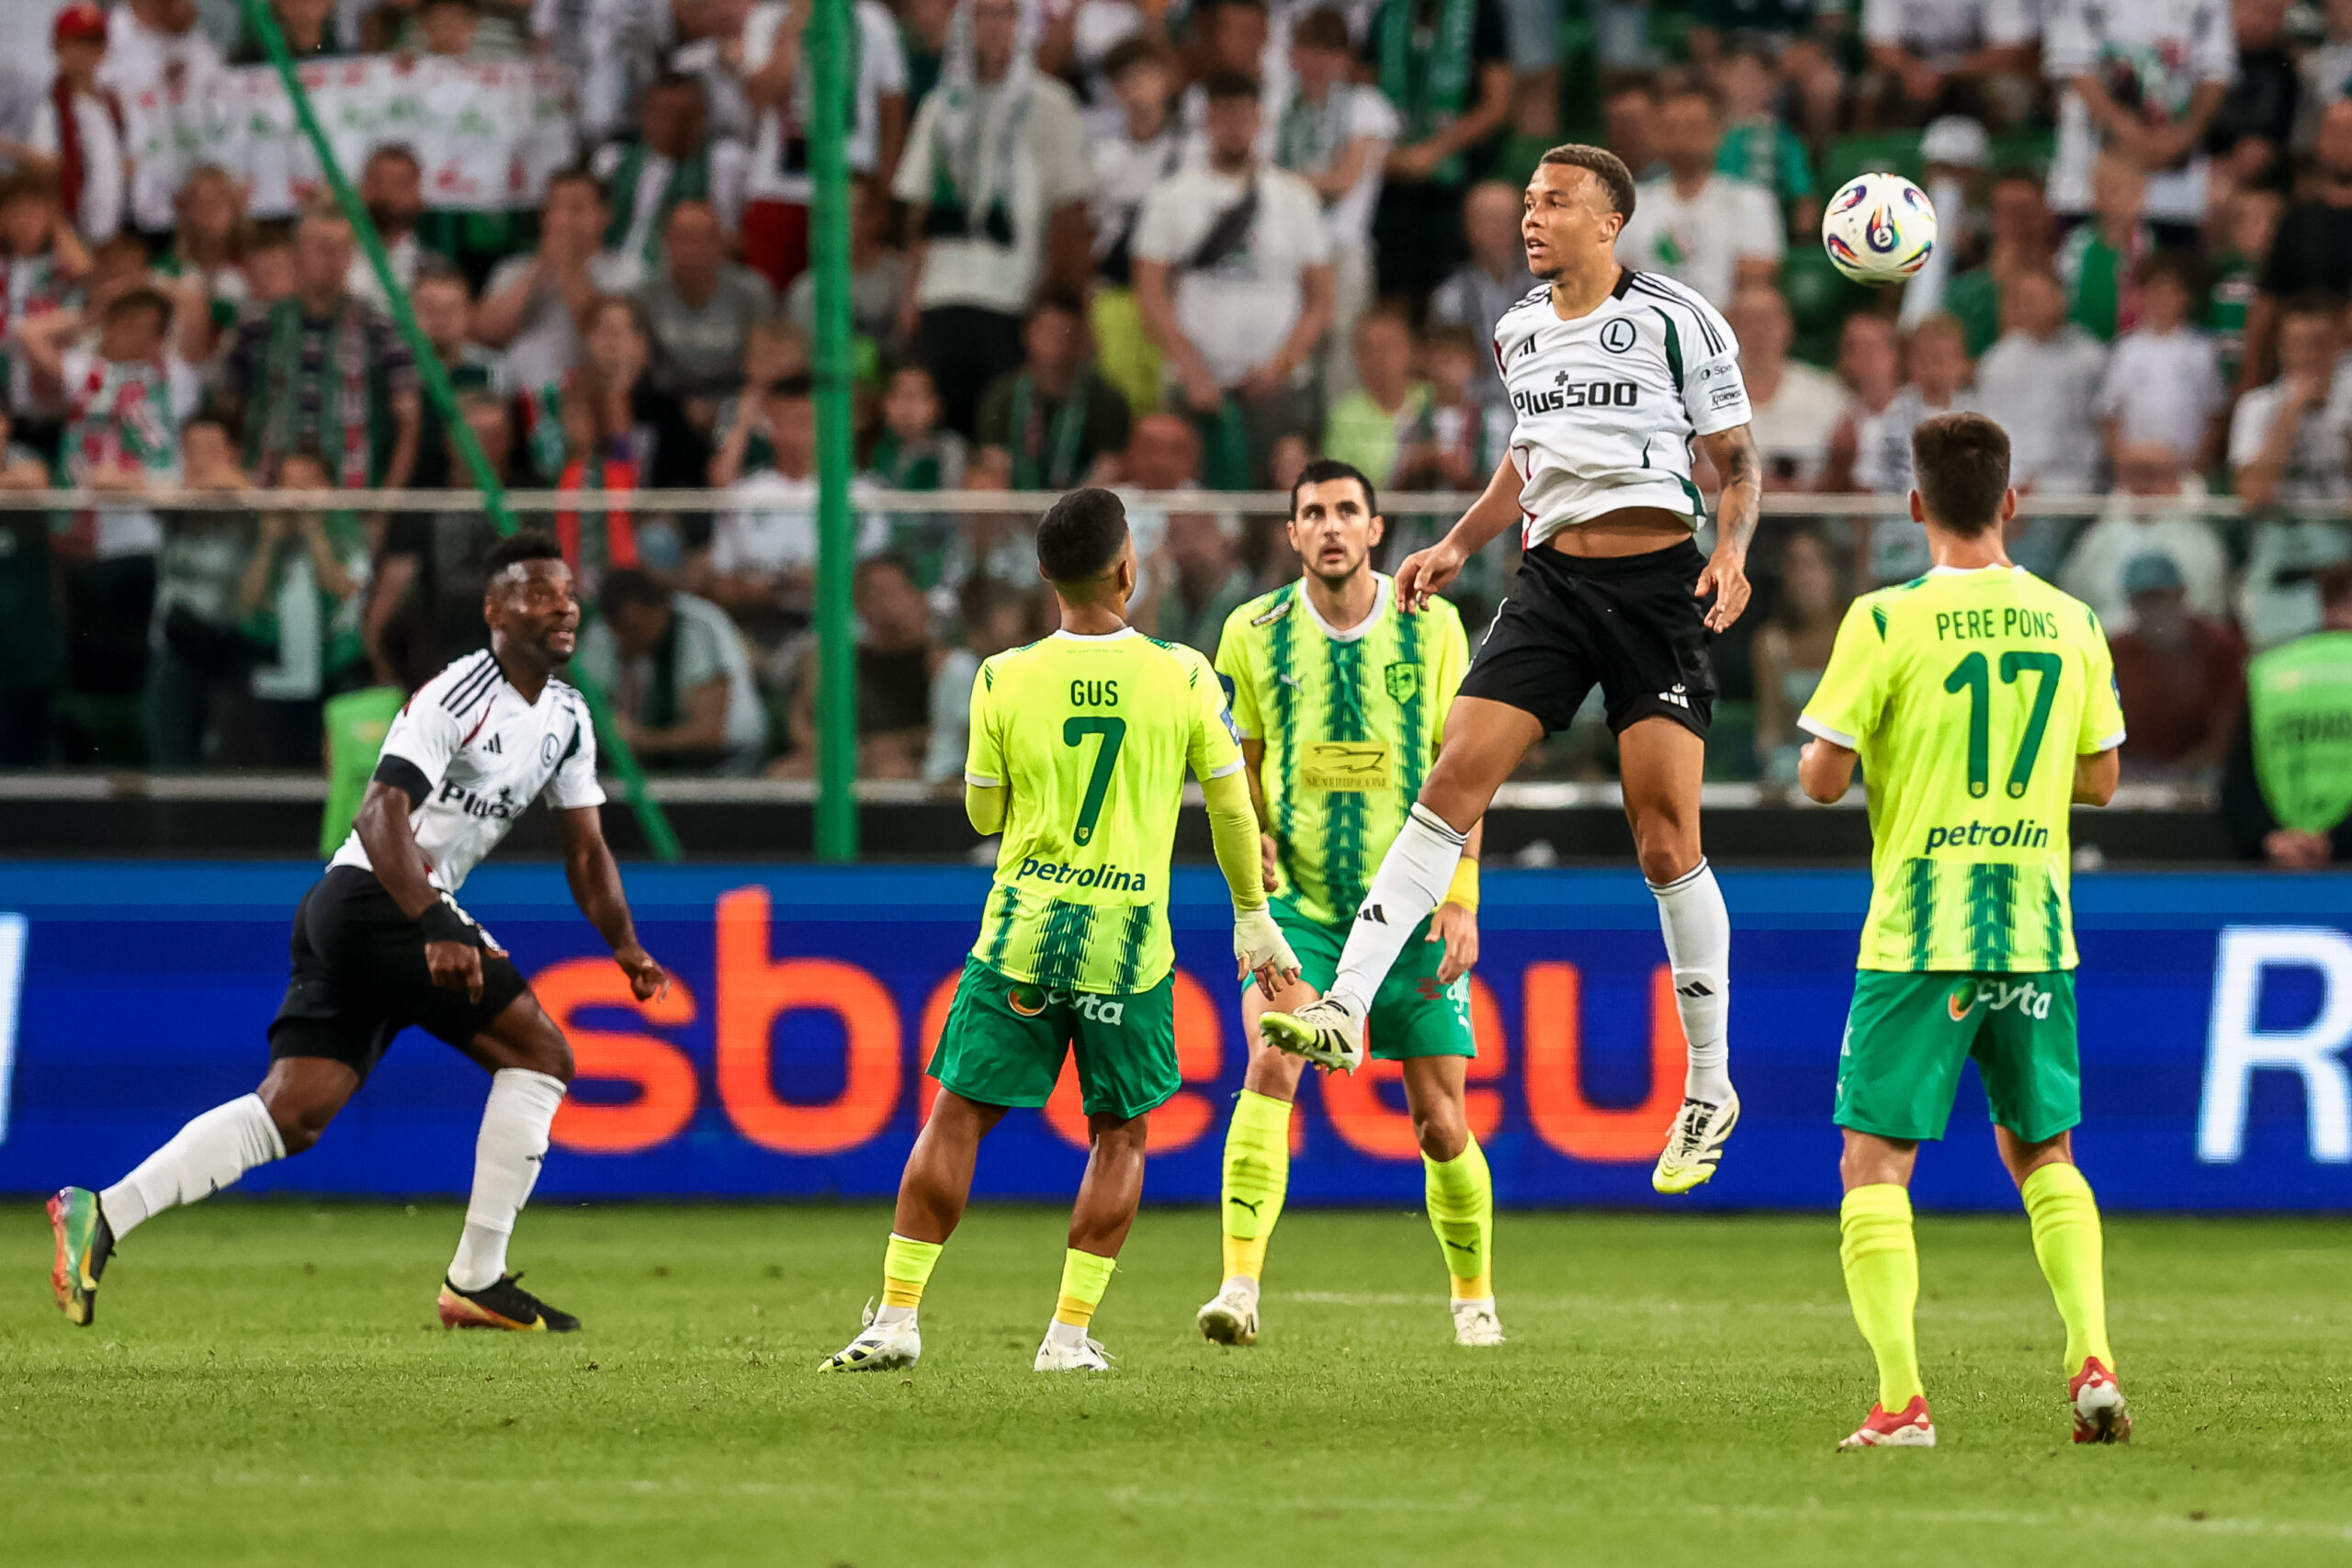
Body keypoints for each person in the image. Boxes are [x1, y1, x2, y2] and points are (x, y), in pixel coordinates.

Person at [1260, 144, 1762, 1197]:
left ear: (1609, 222)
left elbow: (1738, 460)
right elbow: (1530, 454)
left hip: (1658, 589)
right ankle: (1343, 1007)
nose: (1533, 218)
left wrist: (1730, 551)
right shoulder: (1516, 328)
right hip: (1548, 586)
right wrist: (1454, 542)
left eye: (1556, 203)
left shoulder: (1679, 318)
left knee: (1665, 836)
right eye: (1529, 201)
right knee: (1449, 779)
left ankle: (1709, 1083)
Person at [46, 532, 672, 1336]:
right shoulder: (455, 694)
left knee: (292, 1113)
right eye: (538, 592)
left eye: (567, 592)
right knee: (542, 1055)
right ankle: (476, 1277)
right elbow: (379, 814)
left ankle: (104, 1211)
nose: (563, 606)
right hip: (377, 896)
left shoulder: (569, 718)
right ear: (493, 611)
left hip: (374, 911)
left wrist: (623, 942)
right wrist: (436, 919)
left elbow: (586, 848)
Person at [818, 487, 1300, 1373]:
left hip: (1021, 936)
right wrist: (1253, 919)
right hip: (1127, 948)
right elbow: (1232, 808)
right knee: (1119, 1133)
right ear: (1129, 568)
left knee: (957, 1116)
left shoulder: (1000, 675)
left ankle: (895, 1318)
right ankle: (1067, 1336)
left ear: (1045, 574)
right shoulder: (1185, 672)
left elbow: (978, 813)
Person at [1794, 410, 2130, 1450]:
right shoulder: (2071, 620)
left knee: (1874, 1162)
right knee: (2044, 1151)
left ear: (1913, 508)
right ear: (2011, 504)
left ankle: (1900, 1401)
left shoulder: (1884, 621)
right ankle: (2091, 1358)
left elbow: (1820, 777)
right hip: (2034, 928)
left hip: (1918, 933)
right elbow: (2103, 779)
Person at [1191, 457, 1494, 1348]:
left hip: (1414, 917)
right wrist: (1256, 839)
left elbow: (1466, 767)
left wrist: (1463, 895)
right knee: (1270, 1062)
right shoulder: (1251, 631)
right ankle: (1238, 1289)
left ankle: (1473, 1298)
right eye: (1312, 512)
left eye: (1345, 511)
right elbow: (1231, 766)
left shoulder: (1434, 626)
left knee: (1440, 1126)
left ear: (1374, 529)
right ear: (1290, 534)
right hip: (1304, 914)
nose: (1329, 525)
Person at [889, 0, 1091, 436]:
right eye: (982, 14)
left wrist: (1046, 299)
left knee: (998, 425)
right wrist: (909, 296)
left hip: (1012, 295)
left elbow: (1068, 213)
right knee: (940, 426)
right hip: (941, 292)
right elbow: (920, 207)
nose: (994, 26)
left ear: (1023, 26)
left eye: (1005, 14)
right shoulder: (941, 105)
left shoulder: (1050, 104)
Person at [1131, 72, 1334, 490]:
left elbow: (1320, 300)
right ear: (1207, 120)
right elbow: (1150, 293)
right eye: (1223, 116)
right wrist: (1189, 366)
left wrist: (1282, 365)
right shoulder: (1171, 198)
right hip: (1196, 385)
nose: (1233, 126)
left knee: (1284, 505)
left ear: (1260, 120)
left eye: (1243, 116)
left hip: (1277, 386)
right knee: (1194, 509)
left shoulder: (1295, 198)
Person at [222, 201, 422, 490]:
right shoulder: (257, 324)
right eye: (320, 247)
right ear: (296, 252)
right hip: (268, 492)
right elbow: (229, 407)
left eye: (341, 248)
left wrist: (385, 504)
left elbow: (408, 422)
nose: (331, 257)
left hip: (351, 494)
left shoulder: (380, 328)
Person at [1272, 6, 1398, 398]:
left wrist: (1284, 181)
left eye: (1330, 51)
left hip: (1342, 246)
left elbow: (1344, 180)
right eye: (1309, 48)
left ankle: (1338, 441)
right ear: (1293, 53)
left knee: (1342, 347)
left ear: (1346, 59)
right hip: (1287, 246)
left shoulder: (1366, 105)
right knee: (1291, 342)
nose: (1319, 61)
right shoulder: (1280, 107)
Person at [741, 0, 907, 296]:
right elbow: (759, 95)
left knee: (841, 302)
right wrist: (794, 30)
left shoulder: (874, 21)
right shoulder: (766, 19)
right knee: (774, 300)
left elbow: (893, 114)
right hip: (778, 189)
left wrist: (884, 197)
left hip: (850, 194)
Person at [2042, 0, 2233, 242]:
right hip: (2090, 172)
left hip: (2177, 178)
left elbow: (2217, 68)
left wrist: (2187, 131)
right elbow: (2072, 62)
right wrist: (2124, 130)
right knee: (2087, 262)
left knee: (2168, 272)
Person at [1361, 0, 1512, 300]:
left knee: (1443, 291)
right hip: (1392, 176)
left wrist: (1432, 152)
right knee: (1392, 289)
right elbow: (1363, 89)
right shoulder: (1388, 12)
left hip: (1456, 179)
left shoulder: (1481, 11)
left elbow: (1496, 105)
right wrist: (1384, 151)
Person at [2220, 561, 2352, 867]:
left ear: (2323, 604)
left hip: (2280, 869)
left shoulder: (2269, 671)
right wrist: (2335, 841)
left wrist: (2270, 836)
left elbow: (2237, 783)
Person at [577, 566, 768, 773]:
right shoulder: (602, 632)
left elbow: (710, 733)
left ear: (660, 609)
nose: (626, 638)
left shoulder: (697, 628)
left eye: (634, 626)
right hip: (645, 761)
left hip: (729, 757)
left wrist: (640, 739)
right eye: (619, 628)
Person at [1616, 87, 1783, 310]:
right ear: (1656, 134)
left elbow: (1757, 276)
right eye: (1672, 128)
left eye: (1694, 127)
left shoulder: (1750, 199)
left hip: (1723, 326)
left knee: (1759, 302)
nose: (1683, 137)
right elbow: (1617, 277)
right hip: (1647, 325)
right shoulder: (1631, 202)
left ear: (1718, 131)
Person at [473, 167, 631, 392]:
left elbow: (598, 336)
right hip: (517, 395)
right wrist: (540, 269)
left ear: (604, 215)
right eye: (554, 208)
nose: (562, 220)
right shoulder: (513, 269)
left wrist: (569, 268)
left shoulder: (624, 272)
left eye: (575, 209)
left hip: (586, 399)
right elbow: (487, 333)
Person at [595, 73, 751, 292]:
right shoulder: (615, 160)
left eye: (684, 115)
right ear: (644, 114)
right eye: (662, 114)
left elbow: (727, 240)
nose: (672, 125)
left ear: (702, 118)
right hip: (613, 265)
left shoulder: (722, 162)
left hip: (676, 274)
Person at [634, 200, 776, 423]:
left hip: (738, 405)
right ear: (665, 242)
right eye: (682, 237)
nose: (690, 248)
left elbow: (768, 365)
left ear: (720, 244)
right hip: (665, 407)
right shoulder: (646, 295)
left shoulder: (752, 294)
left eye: (701, 238)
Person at [1970, 267, 2108, 497]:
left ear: (2060, 298)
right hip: (2013, 485)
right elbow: (1991, 430)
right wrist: (2015, 480)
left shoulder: (2090, 356)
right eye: (2025, 299)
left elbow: (2100, 427)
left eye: (2039, 297)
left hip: (2077, 485)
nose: (2032, 306)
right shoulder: (1998, 361)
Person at [2106, 553, 2245, 779]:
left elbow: (2229, 734)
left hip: (2207, 777)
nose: (2152, 611)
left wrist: (2183, 771)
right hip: (2134, 777)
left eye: (2158, 597)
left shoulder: (2219, 649)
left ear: (2181, 594)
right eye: (2141, 600)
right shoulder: (2116, 654)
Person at [973, 293, 1129, 491]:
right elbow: (994, 463)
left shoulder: (1105, 398)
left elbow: (1109, 469)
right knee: (982, 486)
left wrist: (1072, 514)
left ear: (1083, 337)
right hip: (1016, 507)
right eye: (1048, 332)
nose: (1058, 342)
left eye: (1066, 333)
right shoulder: (1002, 394)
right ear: (1027, 333)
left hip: (1081, 509)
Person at [1, 4, 128, 245]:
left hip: (112, 229)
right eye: (76, 42)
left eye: (93, 42)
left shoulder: (112, 104)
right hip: (61, 232)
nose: (85, 52)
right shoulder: (41, 100)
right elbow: (31, 169)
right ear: (58, 46)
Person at [1426, 179, 1540, 409]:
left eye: (1504, 219)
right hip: (1475, 418)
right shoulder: (1450, 297)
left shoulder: (1550, 288)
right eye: (1487, 220)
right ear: (1468, 226)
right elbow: (1444, 371)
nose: (1497, 229)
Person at [1729, 284, 1845, 491]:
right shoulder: (1702, 393)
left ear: (1787, 326)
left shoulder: (1825, 392)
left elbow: (1843, 474)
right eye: (1748, 321)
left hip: (1807, 517)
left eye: (1768, 320)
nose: (1759, 331)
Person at [1752, 526, 1843, 784]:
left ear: (1832, 572)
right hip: (1793, 773)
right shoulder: (1769, 642)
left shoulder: (1857, 631)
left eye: (1814, 565)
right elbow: (1769, 731)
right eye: (1795, 567)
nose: (1805, 577)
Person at [1320, 309, 1427, 488]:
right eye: (1367, 348)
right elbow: (1342, 486)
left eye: (1388, 347)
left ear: (1411, 351)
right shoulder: (1344, 414)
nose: (1378, 358)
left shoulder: (1433, 401)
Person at [344, 144, 447, 314]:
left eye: (403, 184)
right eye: (381, 181)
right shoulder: (336, 257)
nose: (392, 194)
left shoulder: (431, 268)